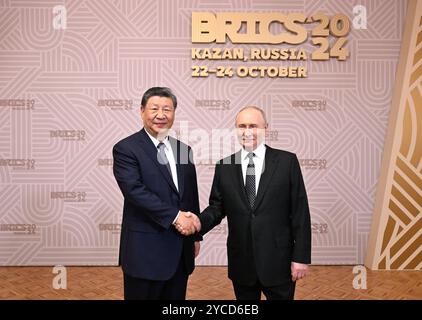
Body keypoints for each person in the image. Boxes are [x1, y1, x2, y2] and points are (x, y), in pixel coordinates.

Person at [180, 106, 311, 300]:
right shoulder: (224, 166)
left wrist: (300, 258)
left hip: (278, 262)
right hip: (242, 263)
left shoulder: (287, 162)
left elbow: (300, 212)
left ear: (266, 128)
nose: (247, 131)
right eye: (242, 126)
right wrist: (198, 223)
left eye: (254, 126)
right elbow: (217, 208)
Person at [113, 87, 201, 300]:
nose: (160, 115)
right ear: (142, 111)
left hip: (180, 249)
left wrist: (196, 235)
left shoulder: (183, 149)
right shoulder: (126, 148)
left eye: (167, 109)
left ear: (174, 113)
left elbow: (190, 194)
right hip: (145, 251)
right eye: (154, 108)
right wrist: (176, 216)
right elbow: (135, 191)